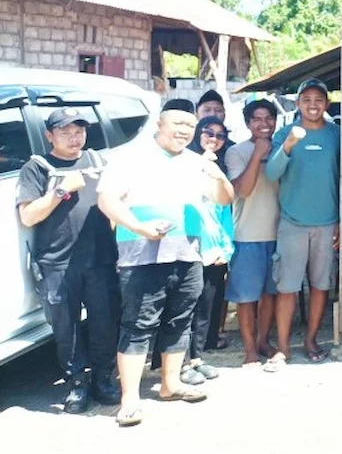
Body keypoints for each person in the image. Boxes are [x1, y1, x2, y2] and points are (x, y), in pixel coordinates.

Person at [98, 98, 231, 426]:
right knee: (138, 326)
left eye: (189, 127)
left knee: (180, 320)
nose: (184, 133)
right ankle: (129, 399)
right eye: (177, 126)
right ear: (160, 126)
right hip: (142, 256)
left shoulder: (195, 162)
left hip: (187, 253)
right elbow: (107, 200)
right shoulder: (131, 159)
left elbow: (225, 198)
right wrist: (139, 227)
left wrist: (216, 176)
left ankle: (171, 384)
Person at [16, 107, 119, 413]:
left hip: (100, 258)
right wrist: (61, 189)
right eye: (65, 132)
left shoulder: (98, 161)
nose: (75, 138)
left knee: (104, 323)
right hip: (57, 262)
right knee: (65, 329)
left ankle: (103, 379)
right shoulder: (36, 167)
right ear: (49, 136)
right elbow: (29, 214)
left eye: (79, 131)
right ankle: (77, 384)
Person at [265, 78, 340, 364]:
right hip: (292, 223)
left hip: (327, 224)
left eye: (318, 99)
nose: (312, 105)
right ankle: (283, 347)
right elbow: (271, 174)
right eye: (306, 99)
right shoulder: (285, 133)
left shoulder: (336, 135)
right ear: (297, 104)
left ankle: (311, 341)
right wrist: (289, 144)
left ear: (327, 104)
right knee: (287, 287)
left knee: (321, 285)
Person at [177, 116, 235, 385]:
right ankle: (177, 363)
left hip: (214, 252)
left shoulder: (219, 169)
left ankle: (197, 358)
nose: (213, 139)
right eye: (208, 133)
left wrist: (226, 249)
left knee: (206, 309)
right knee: (182, 310)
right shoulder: (181, 164)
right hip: (185, 248)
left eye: (220, 135)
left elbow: (226, 213)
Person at [224, 99, 282, 368]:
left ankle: (262, 341)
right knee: (246, 297)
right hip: (247, 235)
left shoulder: (283, 148)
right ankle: (249, 349)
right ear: (248, 124)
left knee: (270, 294)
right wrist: (258, 154)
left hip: (279, 233)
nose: (264, 124)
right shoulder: (237, 152)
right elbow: (243, 190)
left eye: (268, 118)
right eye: (257, 119)